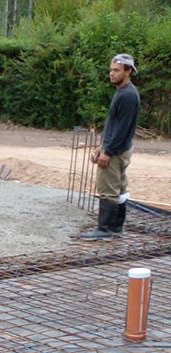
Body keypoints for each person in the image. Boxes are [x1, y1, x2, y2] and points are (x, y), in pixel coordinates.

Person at [81, 53, 140, 241]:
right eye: (111, 70)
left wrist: (108, 151)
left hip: (116, 150)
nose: (111, 74)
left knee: (107, 187)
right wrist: (101, 146)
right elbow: (113, 125)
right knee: (120, 188)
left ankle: (105, 229)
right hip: (116, 147)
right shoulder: (122, 92)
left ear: (128, 71)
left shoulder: (128, 95)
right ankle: (115, 228)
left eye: (116, 70)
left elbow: (122, 129)